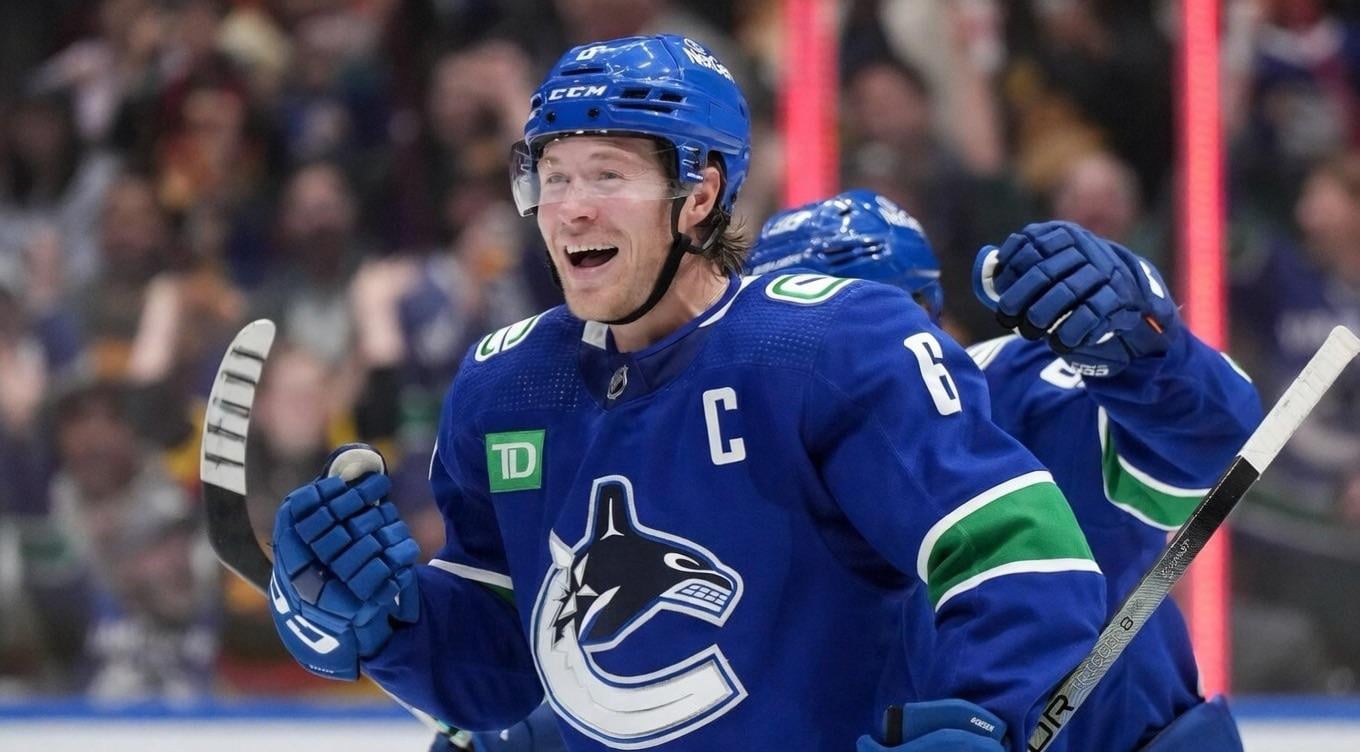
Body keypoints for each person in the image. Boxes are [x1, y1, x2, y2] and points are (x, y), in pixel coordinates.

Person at [261, 35, 1108, 751]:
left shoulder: (832, 346)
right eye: (553, 176)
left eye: (606, 175)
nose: (570, 210)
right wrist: (381, 620)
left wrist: (987, 716)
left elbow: (1015, 548)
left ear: (699, 195)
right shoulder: (505, 386)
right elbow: (501, 669)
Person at [746, 189, 1263, 751]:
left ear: (927, 317)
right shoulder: (729, 456)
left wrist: (1142, 342)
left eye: (863, 329)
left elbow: (1209, 442)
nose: (837, 364)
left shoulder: (1022, 387)